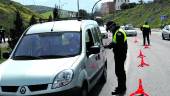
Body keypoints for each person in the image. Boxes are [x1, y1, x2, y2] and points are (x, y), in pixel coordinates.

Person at [104, 21, 128, 95]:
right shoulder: (116, 32)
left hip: (120, 55)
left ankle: (121, 88)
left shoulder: (119, 33)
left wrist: (109, 46)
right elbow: (115, 42)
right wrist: (108, 46)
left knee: (119, 72)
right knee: (119, 71)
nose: (110, 31)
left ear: (112, 26)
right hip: (119, 54)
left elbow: (118, 45)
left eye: (109, 29)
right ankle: (121, 87)